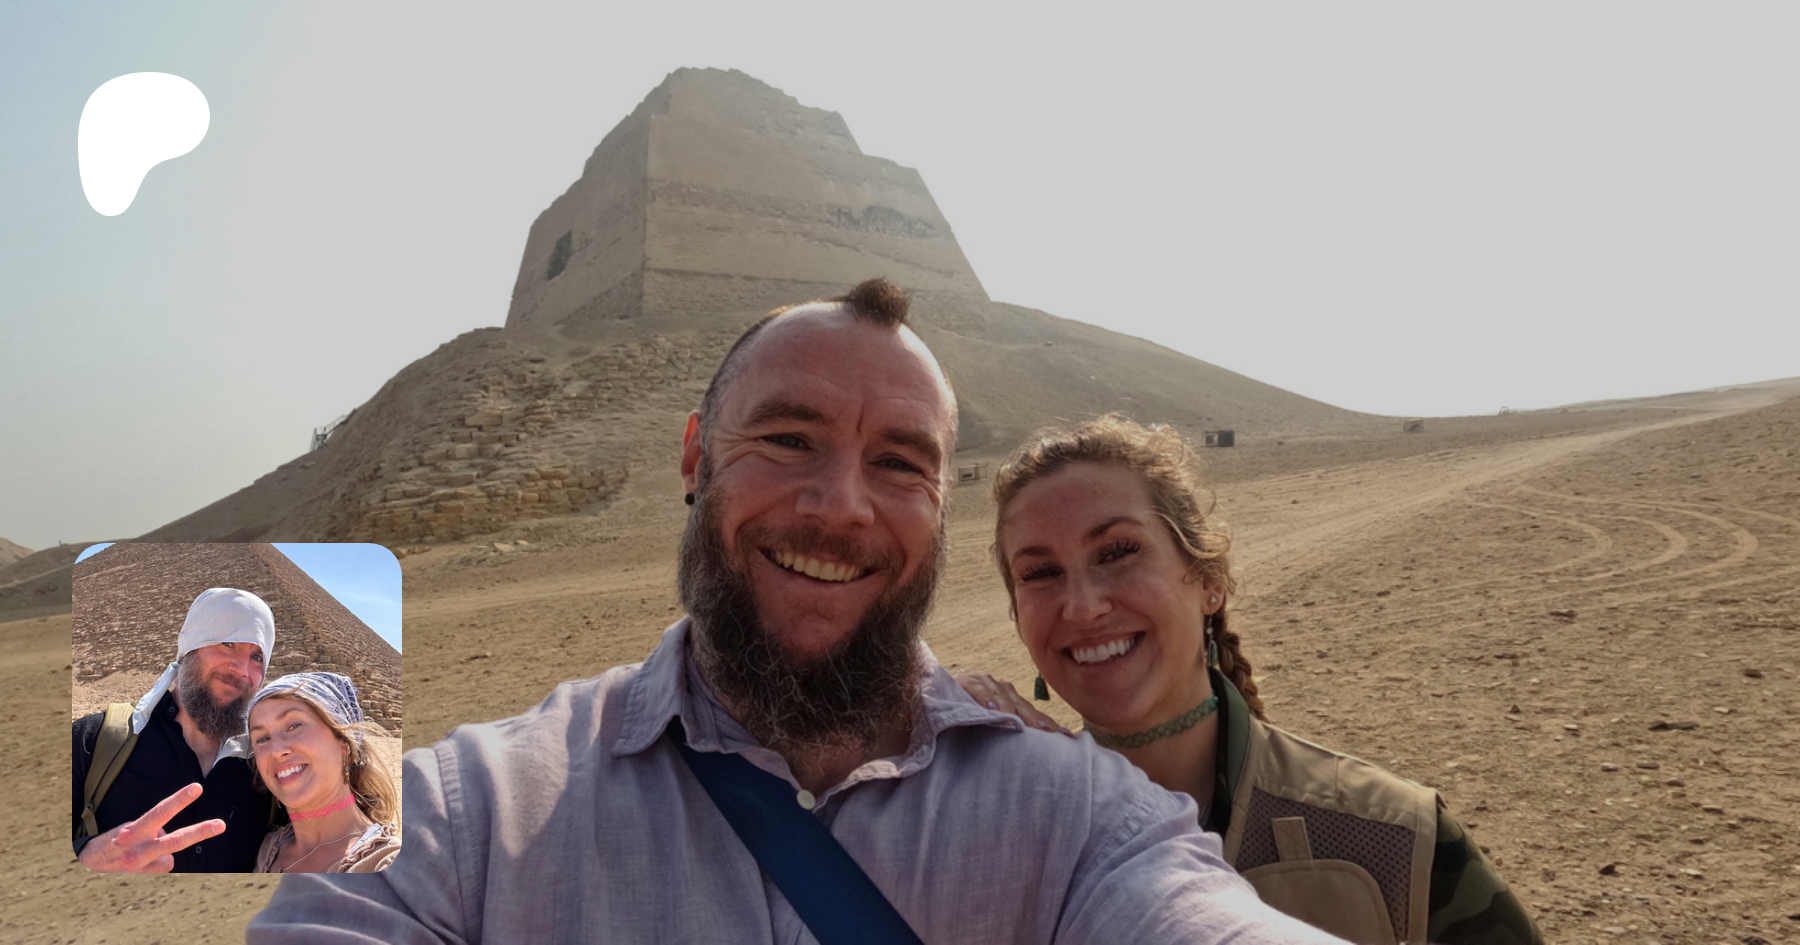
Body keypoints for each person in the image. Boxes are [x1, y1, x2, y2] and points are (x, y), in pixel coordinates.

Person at [248, 279, 1349, 943]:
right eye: (788, 439)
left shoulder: (1080, 820)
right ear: (695, 458)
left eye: (901, 462)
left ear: (942, 504)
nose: (840, 507)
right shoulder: (468, 819)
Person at [963, 415, 1544, 944]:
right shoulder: (1002, 841)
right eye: (1040, 573)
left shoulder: (1391, 839)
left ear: (1208, 581)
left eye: (1117, 551)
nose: (1083, 606)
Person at [71, 587, 276, 872]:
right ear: (190, 647)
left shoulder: (268, 769)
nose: (242, 670)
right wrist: (87, 857)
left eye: (257, 657)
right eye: (228, 643)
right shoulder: (91, 741)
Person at [247, 671, 400, 873]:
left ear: (344, 742)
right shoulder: (262, 852)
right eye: (262, 739)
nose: (276, 751)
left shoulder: (391, 865)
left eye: (294, 726)